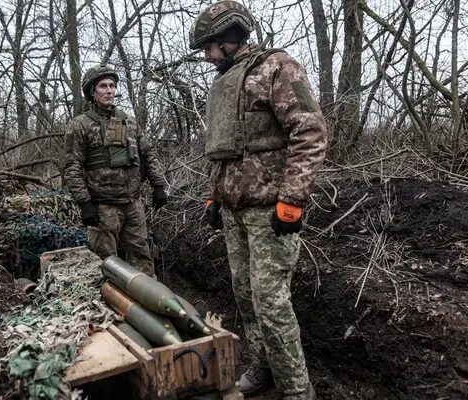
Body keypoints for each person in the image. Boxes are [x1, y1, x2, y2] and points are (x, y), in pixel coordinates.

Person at [190, 1, 327, 399]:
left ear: (231, 37)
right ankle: (264, 368)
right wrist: (213, 196)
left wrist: (293, 199)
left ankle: (297, 389)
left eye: (210, 46)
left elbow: (310, 132)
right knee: (246, 298)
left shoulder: (277, 67)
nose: (207, 55)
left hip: (270, 212)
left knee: (271, 303)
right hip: (234, 211)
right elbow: (220, 149)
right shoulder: (222, 84)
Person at [63, 64, 167, 277]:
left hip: (132, 203)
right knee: (105, 262)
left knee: (142, 257)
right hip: (103, 207)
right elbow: (72, 166)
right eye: (103, 86)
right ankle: (107, 307)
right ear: (92, 91)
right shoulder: (80, 125)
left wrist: (158, 185)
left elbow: (149, 152)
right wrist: (85, 204)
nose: (110, 90)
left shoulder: (128, 121)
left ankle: (149, 302)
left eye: (112, 85)